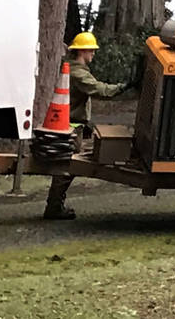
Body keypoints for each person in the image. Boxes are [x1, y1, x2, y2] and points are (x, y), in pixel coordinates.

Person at [44, 31, 127, 220]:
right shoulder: (78, 73)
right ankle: (54, 207)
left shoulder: (72, 69)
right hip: (72, 126)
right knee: (67, 168)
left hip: (71, 124)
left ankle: (55, 206)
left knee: (67, 168)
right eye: (92, 51)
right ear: (83, 51)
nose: (94, 54)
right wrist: (123, 87)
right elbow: (100, 90)